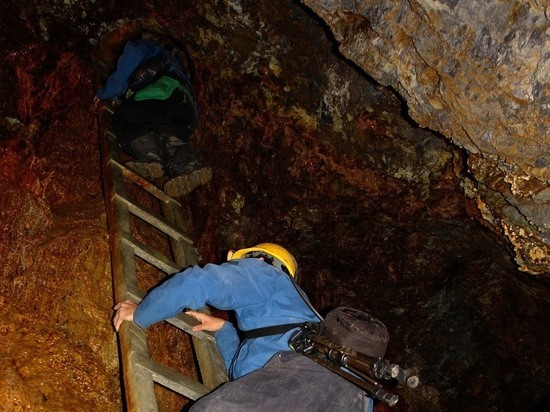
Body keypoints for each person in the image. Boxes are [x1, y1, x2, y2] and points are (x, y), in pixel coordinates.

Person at [113, 243, 374, 411]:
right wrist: (225, 330)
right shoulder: (288, 322)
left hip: (313, 382)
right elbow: (246, 375)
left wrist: (141, 314)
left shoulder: (266, 273)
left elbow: (198, 282)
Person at [96, 37, 212, 197]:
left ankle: (150, 158)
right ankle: (190, 167)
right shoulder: (176, 66)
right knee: (170, 138)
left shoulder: (144, 45)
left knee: (127, 117)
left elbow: (132, 59)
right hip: (187, 106)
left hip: (163, 91)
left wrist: (106, 92)